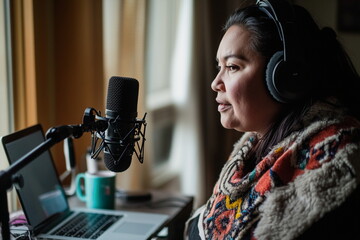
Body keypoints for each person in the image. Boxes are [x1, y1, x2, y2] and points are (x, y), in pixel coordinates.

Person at [185, 0, 360, 239]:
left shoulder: (334, 160)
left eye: (233, 67)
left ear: (286, 78)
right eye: (219, 67)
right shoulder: (251, 148)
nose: (216, 83)